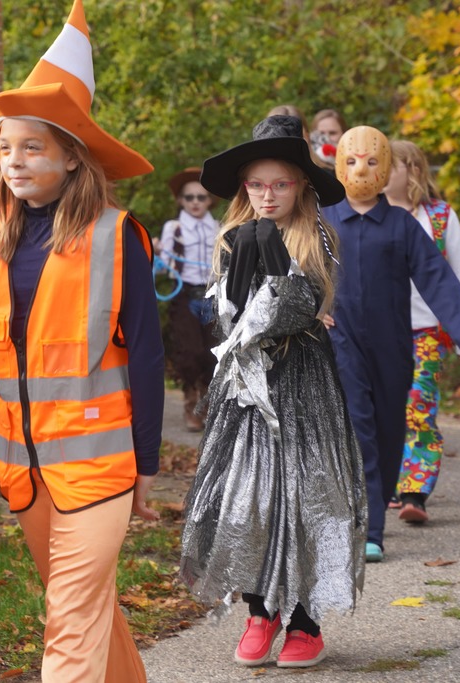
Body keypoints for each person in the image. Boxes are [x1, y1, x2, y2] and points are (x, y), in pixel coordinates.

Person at [0, 1, 164, 680]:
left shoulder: (115, 235)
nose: (14, 160)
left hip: (101, 462)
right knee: (88, 608)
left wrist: (146, 462)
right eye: (5, 147)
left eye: (32, 146)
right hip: (21, 465)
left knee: (69, 619)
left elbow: (147, 355)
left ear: (72, 156)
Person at [179, 115, 366, 670]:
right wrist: (241, 273)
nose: (267, 195)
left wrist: (277, 263)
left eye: (279, 184)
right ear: (243, 188)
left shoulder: (319, 237)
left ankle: (305, 623)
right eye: (256, 184)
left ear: (301, 186)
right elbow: (228, 325)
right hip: (246, 396)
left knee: (308, 498)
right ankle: (260, 612)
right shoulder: (230, 239)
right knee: (248, 499)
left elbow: (299, 310)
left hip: (305, 390)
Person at [323, 125, 460, 563]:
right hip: (341, 341)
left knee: (389, 432)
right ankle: (368, 528)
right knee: (359, 427)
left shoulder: (400, 225)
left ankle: (375, 507)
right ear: (340, 165)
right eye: (354, 160)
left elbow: (439, 281)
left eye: (373, 161)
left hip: (392, 344)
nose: (362, 168)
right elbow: (299, 272)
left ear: (385, 168)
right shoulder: (325, 220)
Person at [382, 139, 460, 523]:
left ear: (411, 169)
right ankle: (388, 482)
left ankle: (415, 491)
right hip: (377, 330)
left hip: (426, 331)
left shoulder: (440, 217)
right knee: (380, 409)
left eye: (386, 164)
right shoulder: (367, 215)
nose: (375, 172)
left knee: (418, 407)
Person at [157, 167, 218, 431]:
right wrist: (155, 251)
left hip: (212, 294)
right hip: (184, 293)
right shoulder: (175, 227)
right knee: (189, 350)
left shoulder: (218, 227)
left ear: (210, 201)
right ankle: (189, 400)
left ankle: (204, 401)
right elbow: (164, 266)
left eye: (201, 198)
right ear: (181, 200)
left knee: (212, 352)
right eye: (190, 197)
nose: (195, 202)